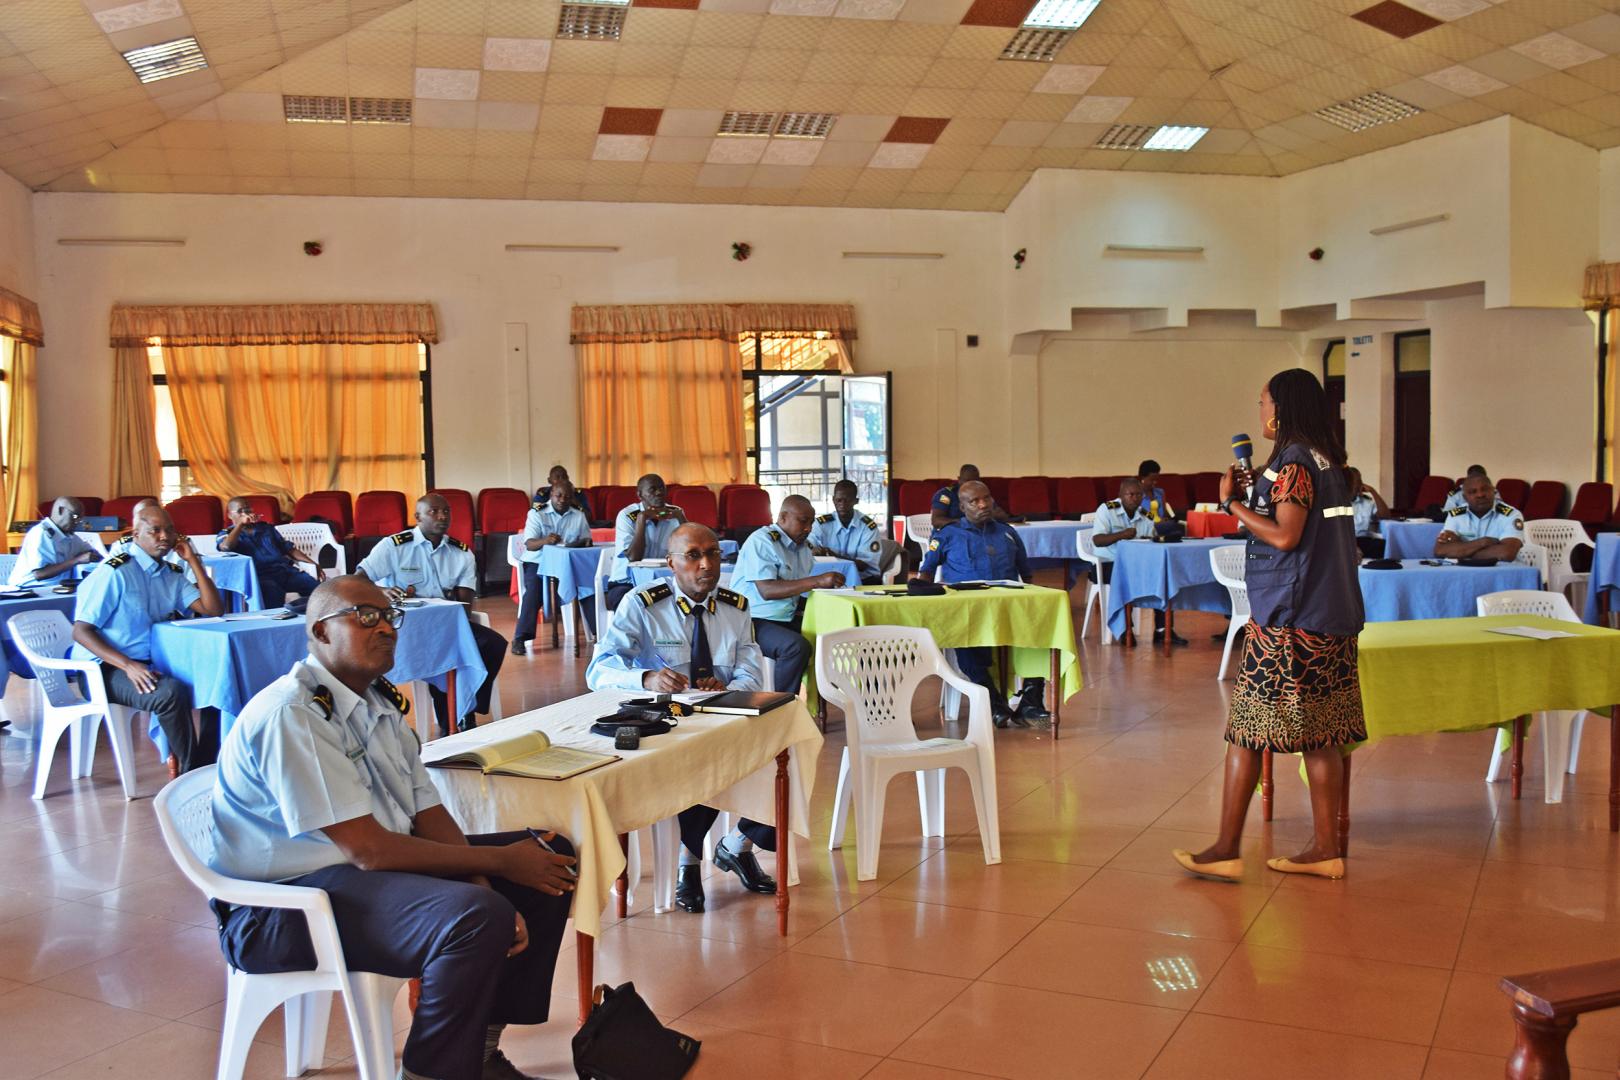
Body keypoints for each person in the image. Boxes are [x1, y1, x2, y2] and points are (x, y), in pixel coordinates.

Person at [206, 575, 575, 1080]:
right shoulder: (296, 713)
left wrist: (485, 878)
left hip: (352, 876)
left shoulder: (376, 703)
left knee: (550, 857)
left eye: (389, 617)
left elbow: (427, 813)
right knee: (474, 916)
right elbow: (368, 850)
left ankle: (483, 1053)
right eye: (364, 616)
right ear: (320, 631)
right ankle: (427, 1073)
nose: (385, 628)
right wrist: (493, 869)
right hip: (277, 909)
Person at [1175, 368, 1364, 883]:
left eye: (1262, 402)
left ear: (1281, 409)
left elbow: (1285, 537)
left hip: (1291, 623)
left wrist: (1231, 504)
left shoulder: (1296, 464)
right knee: (1321, 736)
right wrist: (1256, 485)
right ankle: (1323, 848)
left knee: (1245, 733)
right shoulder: (1329, 462)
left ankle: (1226, 850)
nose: (1258, 411)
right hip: (1331, 616)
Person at [584, 523, 779, 914]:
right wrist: (646, 677)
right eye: (693, 556)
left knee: (787, 750)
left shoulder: (735, 607)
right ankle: (687, 863)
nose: (706, 565)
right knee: (699, 754)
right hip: (661, 721)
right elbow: (598, 671)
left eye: (713, 554)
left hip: (720, 714)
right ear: (671, 563)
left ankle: (737, 845)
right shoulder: (643, 604)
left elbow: (750, 670)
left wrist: (725, 686)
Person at [71, 504, 224, 774]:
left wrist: (193, 561)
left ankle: (206, 763)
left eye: (169, 530)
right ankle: (191, 774)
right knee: (169, 694)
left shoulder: (171, 575)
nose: (164, 537)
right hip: (104, 669)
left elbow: (213, 610)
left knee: (218, 682)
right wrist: (128, 665)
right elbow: (81, 631)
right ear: (136, 533)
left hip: (149, 664)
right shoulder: (115, 572)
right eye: (155, 530)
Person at [357, 493, 506, 736]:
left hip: (444, 625)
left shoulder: (461, 553)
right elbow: (358, 580)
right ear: (417, 517)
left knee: (493, 644)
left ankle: (465, 707)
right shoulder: (394, 547)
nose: (442, 516)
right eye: (433, 512)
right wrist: (382, 591)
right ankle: (456, 717)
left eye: (446, 511)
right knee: (447, 654)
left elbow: (465, 602)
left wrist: (457, 623)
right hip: (404, 629)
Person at [918, 480, 1046, 727]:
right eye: (974, 501)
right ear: (962, 507)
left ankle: (1031, 701)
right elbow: (925, 574)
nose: (983, 505)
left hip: (1007, 607)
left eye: (986, 498)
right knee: (965, 644)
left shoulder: (1007, 532)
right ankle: (994, 703)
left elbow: (1027, 575)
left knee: (1041, 633)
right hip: (967, 610)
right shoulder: (947, 535)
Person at [729, 494, 842, 695]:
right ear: (782, 518)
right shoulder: (762, 541)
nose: (808, 528)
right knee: (795, 648)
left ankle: (829, 699)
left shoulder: (803, 548)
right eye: (802, 521)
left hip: (784, 617)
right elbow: (767, 590)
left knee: (833, 636)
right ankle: (784, 706)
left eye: (811, 522)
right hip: (752, 620)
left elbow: (795, 593)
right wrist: (817, 581)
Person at [1092, 478, 1185, 646]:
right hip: (1108, 563)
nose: (1135, 498)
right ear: (1120, 495)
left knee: (1163, 576)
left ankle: (1162, 630)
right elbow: (1097, 540)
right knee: (1127, 578)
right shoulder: (1106, 510)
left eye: (1139, 495)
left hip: (1137, 564)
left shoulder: (1145, 515)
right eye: (1131, 494)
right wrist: (1121, 535)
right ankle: (1125, 628)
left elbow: (1150, 541)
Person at [511, 479, 593, 656]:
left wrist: (580, 543)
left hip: (568, 563)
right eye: (559, 495)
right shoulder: (537, 513)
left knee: (588, 586)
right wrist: (545, 541)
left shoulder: (578, 515)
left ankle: (598, 633)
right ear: (551, 495)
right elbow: (530, 544)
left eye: (567, 496)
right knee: (534, 590)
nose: (563, 499)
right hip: (538, 561)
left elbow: (588, 540)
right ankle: (520, 637)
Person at [604, 473, 686, 612]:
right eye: (652, 490)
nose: (659, 493)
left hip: (665, 580)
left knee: (683, 604)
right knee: (635, 609)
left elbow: (690, 548)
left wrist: (682, 520)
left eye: (662, 488)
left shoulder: (675, 513)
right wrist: (641, 520)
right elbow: (634, 557)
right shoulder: (627, 516)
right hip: (626, 582)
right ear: (640, 495)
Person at [217, 496, 323, 603]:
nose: (245, 513)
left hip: (283, 571)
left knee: (318, 590)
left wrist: (314, 564)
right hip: (259, 576)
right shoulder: (226, 534)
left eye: (248, 510)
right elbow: (226, 547)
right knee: (272, 591)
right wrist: (240, 524)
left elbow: (289, 549)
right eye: (240, 511)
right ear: (230, 515)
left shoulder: (266, 528)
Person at [809, 479, 885, 585]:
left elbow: (864, 566)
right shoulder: (821, 524)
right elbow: (808, 547)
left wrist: (833, 556)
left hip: (863, 579)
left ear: (856, 501)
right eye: (839, 500)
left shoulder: (868, 527)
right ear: (833, 500)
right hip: (830, 578)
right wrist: (814, 551)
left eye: (847, 500)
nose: (842, 504)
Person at [11, 496, 100, 587]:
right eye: (74, 516)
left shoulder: (69, 536)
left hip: (54, 588)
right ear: (60, 510)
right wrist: (77, 560)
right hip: (30, 588)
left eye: (80, 519)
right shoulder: (41, 534)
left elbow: (90, 551)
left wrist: (92, 555)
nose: (77, 522)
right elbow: (39, 574)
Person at [1434, 473, 1524, 561]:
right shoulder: (1456, 515)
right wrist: (1483, 542)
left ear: (1494, 491)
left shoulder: (1511, 515)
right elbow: (1440, 550)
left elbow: (1506, 553)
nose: (1480, 495)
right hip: (1466, 571)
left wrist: (1461, 552)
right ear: (1465, 497)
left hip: (1503, 572)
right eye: (1473, 492)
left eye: (1485, 489)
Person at [929, 464, 1009, 531]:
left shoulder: (981, 494)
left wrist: (987, 515)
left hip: (980, 534)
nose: (971, 484)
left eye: (974, 481)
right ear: (959, 480)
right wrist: (967, 522)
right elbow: (936, 521)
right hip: (954, 534)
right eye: (967, 480)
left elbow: (1003, 516)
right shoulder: (946, 494)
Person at [1344, 467, 1394, 560]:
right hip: (1343, 540)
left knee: (1383, 546)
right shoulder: (1336, 502)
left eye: (1360, 482)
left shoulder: (1367, 502)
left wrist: (1373, 491)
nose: (1358, 485)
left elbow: (1385, 516)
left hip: (1363, 540)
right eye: (1356, 482)